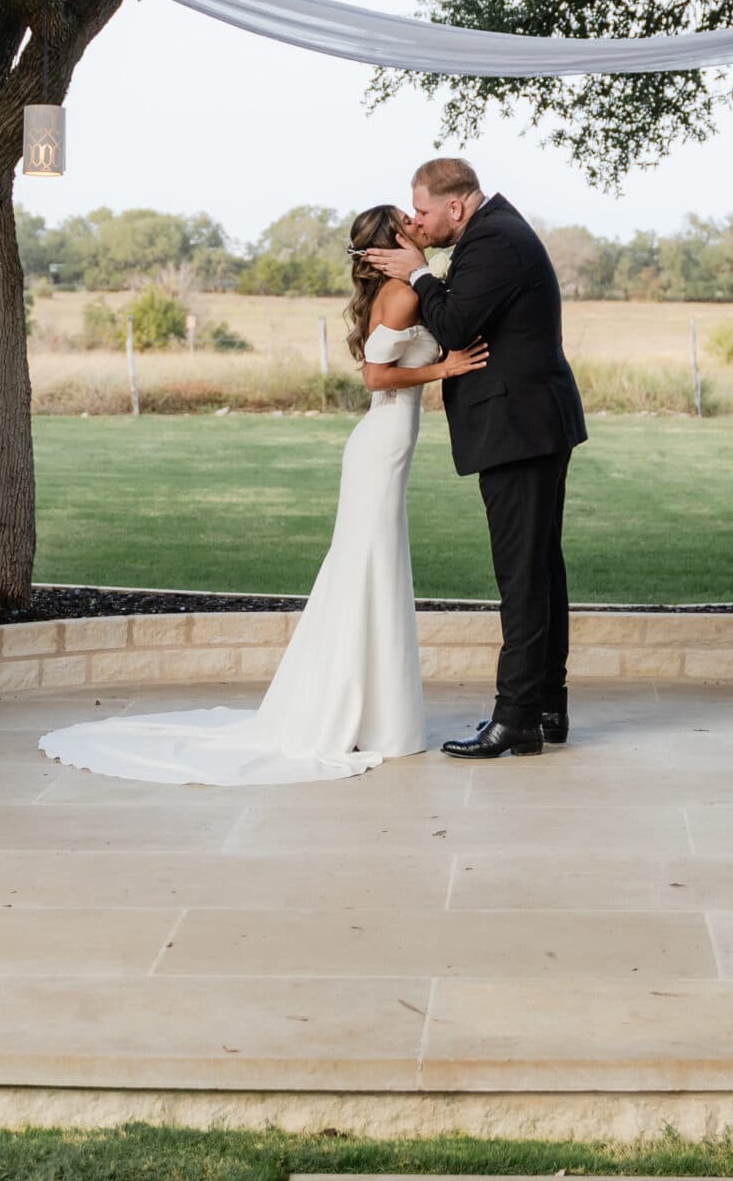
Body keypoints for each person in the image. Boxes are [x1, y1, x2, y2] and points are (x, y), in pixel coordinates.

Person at [39, 204, 488, 783]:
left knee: (371, 565)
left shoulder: (403, 291)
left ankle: (379, 717)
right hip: (380, 443)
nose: (419, 225)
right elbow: (376, 378)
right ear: (391, 242)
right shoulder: (402, 296)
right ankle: (357, 714)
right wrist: (444, 371)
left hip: (386, 444)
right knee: (365, 566)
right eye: (409, 220)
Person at [366, 159, 588, 759]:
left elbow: (458, 324)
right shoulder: (497, 231)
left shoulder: (494, 239)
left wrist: (417, 276)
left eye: (423, 211)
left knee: (522, 575)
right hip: (533, 424)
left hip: (519, 427)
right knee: (540, 567)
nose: (416, 221)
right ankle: (546, 704)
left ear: (456, 208)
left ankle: (516, 716)